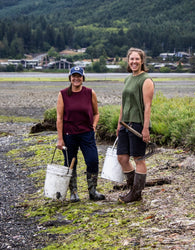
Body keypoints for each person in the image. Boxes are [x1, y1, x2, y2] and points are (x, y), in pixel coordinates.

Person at [56, 66, 105, 202]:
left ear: (83, 78)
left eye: (79, 76)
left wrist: (94, 126)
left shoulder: (90, 93)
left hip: (86, 134)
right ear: (70, 78)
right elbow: (59, 118)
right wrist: (60, 139)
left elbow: (96, 113)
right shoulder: (63, 94)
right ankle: (74, 192)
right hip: (69, 134)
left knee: (93, 160)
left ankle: (93, 191)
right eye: (74, 76)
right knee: (70, 162)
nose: (76, 78)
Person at [116, 47, 154, 203]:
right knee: (122, 158)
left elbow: (147, 106)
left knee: (139, 159)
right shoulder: (128, 79)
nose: (134, 62)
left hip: (138, 124)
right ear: (128, 61)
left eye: (137, 59)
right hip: (125, 124)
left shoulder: (146, 80)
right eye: (131, 59)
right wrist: (119, 124)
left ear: (142, 61)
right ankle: (132, 188)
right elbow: (124, 104)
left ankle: (136, 193)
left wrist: (145, 128)